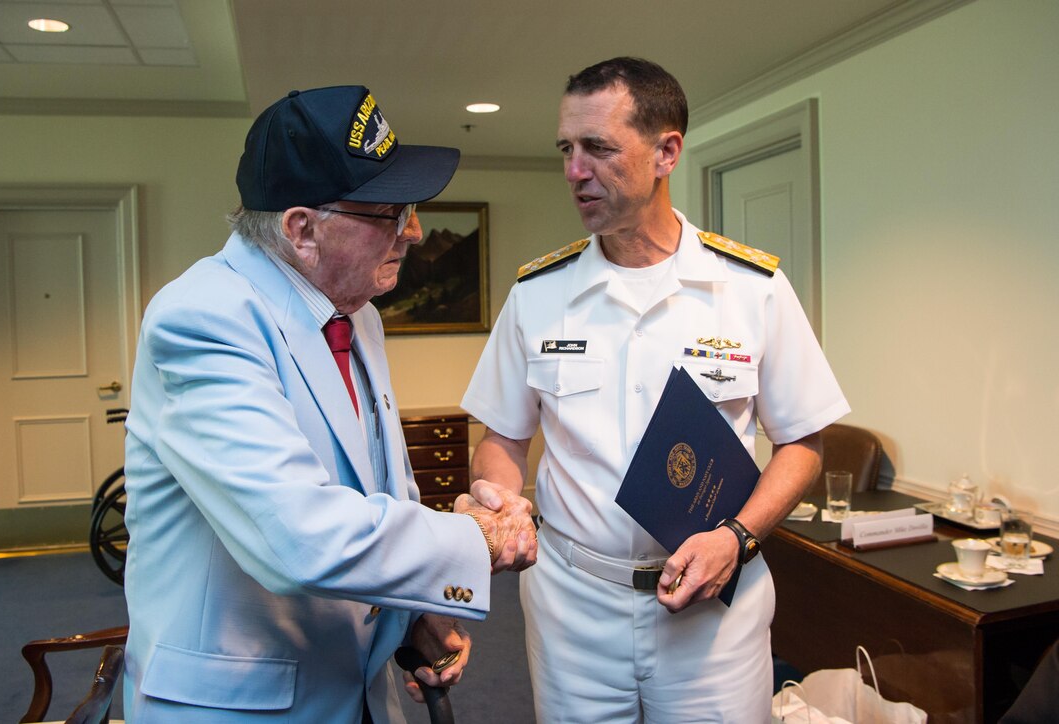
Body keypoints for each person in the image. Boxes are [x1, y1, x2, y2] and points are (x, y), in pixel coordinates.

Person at [123, 85, 535, 723]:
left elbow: (377, 487)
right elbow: (300, 535)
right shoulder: (203, 317)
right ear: (302, 230)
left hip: (355, 686)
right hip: (243, 705)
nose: (415, 231)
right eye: (390, 212)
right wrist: (475, 537)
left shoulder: (356, 314)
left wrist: (409, 617)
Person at [461, 58, 851, 722]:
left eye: (598, 148)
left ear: (667, 151)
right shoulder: (538, 296)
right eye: (566, 149)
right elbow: (501, 437)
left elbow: (802, 443)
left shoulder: (752, 290)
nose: (573, 170)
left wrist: (738, 536)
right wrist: (503, 500)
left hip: (711, 611)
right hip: (572, 606)